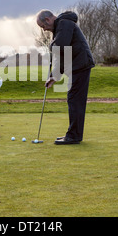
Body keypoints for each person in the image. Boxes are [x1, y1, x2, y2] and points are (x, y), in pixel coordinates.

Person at [36, 10, 95, 145]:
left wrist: (51, 46)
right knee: (74, 99)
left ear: (48, 20)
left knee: (75, 99)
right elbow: (62, 56)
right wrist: (54, 76)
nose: (44, 30)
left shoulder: (64, 23)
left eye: (43, 26)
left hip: (81, 65)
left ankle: (73, 136)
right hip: (77, 66)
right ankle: (74, 135)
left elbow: (61, 46)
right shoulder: (59, 29)